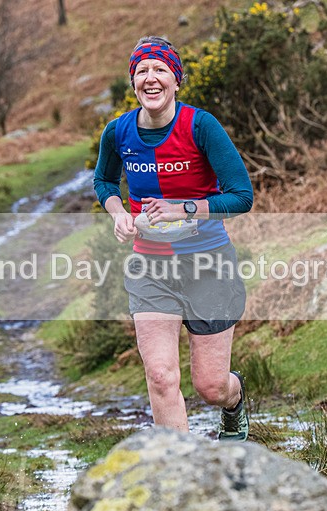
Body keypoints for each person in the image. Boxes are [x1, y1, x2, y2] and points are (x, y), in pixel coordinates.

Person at [93, 36, 254, 440]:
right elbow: (104, 180)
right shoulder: (117, 133)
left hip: (208, 265)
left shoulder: (200, 126)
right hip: (150, 267)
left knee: (210, 386)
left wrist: (183, 207)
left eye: (159, 69)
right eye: (141, 71)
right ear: (133, 83)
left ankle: (234, 403)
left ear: (175, 80)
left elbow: (241, 196)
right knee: (161, 375)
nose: (150, 78)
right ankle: (178, 473)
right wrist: (118, 214)